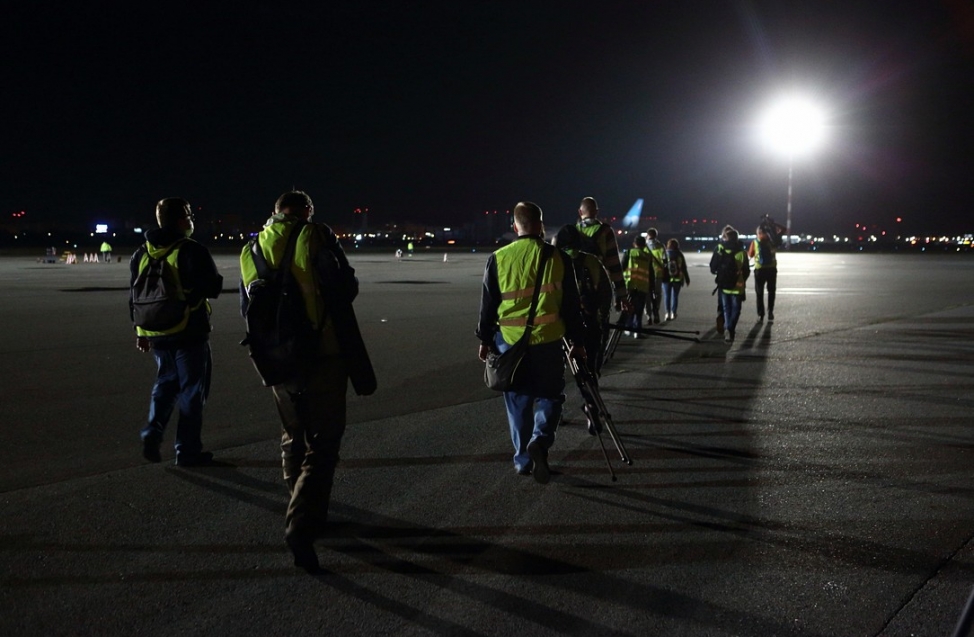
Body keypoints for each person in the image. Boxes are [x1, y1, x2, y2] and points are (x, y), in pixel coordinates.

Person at [240, 190, 373, 573]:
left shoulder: (252, 250)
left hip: (277, 357)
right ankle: (302, 524)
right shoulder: (315, 236)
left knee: (292, 434)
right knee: (324, 441)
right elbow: (345, 288)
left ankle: (299, 504)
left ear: (275, 212)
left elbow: (247, 308)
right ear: (307, 211)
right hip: (322, 353)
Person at [478, 202, 587, 484]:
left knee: (518, 403)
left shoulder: (498, 258)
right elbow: (572, 306)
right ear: (540, 224)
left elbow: (488, 306)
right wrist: (578, 341)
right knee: (551, 397)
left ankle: (523, 460)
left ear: (515, 226)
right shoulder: (559, 258)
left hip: (510, 344)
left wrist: (484, 339)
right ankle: (541, 440)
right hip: (549, 342)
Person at [130, 197, 223, 467]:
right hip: (189, 331)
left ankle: (152, 431)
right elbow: (213, 287)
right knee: (193, 391)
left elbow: (134, 295)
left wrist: (141, 332)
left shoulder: (141, 252)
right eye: (189, 215)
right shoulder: (191, 249)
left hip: (156, 332)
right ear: (182, 219)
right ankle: (187, 450)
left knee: (165, 385)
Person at [552, 224, 612, 375]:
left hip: (561, 325)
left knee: (556, 370)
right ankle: (591, 393)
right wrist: (601, 318)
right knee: (589, 366)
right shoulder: (592, 261)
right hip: (590, 321)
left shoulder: (555, 262)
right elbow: (606, 293)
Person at [576, 197, 631, 313]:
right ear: (596, 212)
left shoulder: (573, 232)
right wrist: (622, 296)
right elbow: (614, 265)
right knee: (600, 325)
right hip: (601, 288)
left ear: (580, 212)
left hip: (577, 290)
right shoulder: (606, 231)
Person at [709, 225, 749, 344]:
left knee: (726, 308)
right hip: (738, 286)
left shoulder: (720, 248)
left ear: (725, 238)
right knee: (736, 309)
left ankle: (727, 329)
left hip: (724, 285)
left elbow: (712, 267)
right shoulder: (742, 252)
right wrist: (741, 279)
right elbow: (746, 270)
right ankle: (730, 328)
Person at [621, 234, 652, 336]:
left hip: (630, 284)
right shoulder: (647, 256)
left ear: (634, 244)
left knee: (630, 307)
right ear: (644, 245)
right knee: (639, 309)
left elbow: (622, 268)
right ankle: (637, 330)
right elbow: (651, 273)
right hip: (643, 286)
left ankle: (628, 327)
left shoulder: (629, 252)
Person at [748, 225, 777, 321]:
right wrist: (771, 224)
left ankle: (761, 314)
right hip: (772, 269)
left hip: (759, 270)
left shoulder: (755, 242)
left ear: (758, 233)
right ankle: (770, 312)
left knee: (759, 293)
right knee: (771, 292)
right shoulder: (772, 242)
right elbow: (783, 230)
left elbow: (750, 254)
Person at [661, 238, 690, 320]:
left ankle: (667, 313)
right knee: (675, 296)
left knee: (667, 296)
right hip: (677, 278)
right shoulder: (680, 254)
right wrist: (687, 278)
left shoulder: (665, 254)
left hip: (666, 279)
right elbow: (684, 267)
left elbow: (662, 266)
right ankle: (674, 312)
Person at [644, 228, 666, 324]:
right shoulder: (661, 246)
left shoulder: (643, 247)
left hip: (645, 274)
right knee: (658, 294)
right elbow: (665, 261)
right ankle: (656, 312)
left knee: (647, 296)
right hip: (658, 273)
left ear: (648, 235)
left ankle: (648, 316)